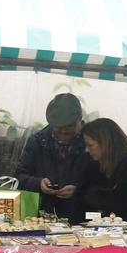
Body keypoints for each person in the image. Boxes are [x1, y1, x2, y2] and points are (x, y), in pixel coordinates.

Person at [14, 93, 100, 223]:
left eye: (70, 126)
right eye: (59, 127)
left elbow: (105, 184)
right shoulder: (38, 142)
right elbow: (19, 177)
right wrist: (38, 184)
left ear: (80, 119)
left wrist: (79, 190)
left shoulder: (95, 141)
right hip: (44, 218)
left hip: (84, 220)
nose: (64, 131)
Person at [80, 118, 127, 225]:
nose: (87, 150)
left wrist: (95, 196)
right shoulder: (94, 165)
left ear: (105, 143)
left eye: (91, 145)